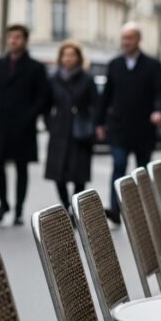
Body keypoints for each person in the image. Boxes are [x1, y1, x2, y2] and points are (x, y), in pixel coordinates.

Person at [95, 22, 161, 224]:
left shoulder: (153, 65)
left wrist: (160, 111)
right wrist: (99, 123)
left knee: (141, 170)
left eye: (130, 38)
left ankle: (142, 210)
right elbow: (106, 96)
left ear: (138, 40)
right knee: (118, 165)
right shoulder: (115, 64)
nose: (126, 42)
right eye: (124, 38)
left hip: (144, 127)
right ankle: (115, 209)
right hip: (119, 126)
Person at [0, 24, 48, 226]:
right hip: (0, 124)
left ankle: (19, 208)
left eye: (17, 37)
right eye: (10, 36)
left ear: (25, 40)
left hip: (23, 125)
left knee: (22, 166)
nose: (13, 40)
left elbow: (43, 97)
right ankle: (3, 203)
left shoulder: (36, 67)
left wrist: (30, 116)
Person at [44, 41, 98, 211]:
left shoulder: (87, 79)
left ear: (79, 58)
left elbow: (96, 104)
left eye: (72, 55)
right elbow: (45, 105)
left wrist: (92, 123)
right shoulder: (54, 79)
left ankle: (76, 209)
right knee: (58, 173)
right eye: (65, 55)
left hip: (80, 131)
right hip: (59, 129)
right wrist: (50, 124)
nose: (68, 58)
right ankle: (65, 205)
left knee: (79, 174)